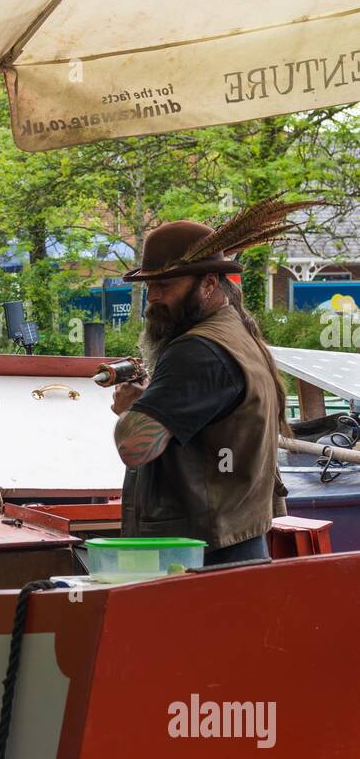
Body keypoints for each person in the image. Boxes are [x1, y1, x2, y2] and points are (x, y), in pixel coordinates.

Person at [112, 211, 292, 567]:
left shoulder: (197, 350)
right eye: (149, 286)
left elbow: (134, 446)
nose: (152, 298)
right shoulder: (237, 333)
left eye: (165, 286)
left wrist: (132, 407)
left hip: (199, 556)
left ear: (208, 284)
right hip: (233, 545)